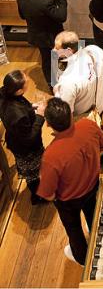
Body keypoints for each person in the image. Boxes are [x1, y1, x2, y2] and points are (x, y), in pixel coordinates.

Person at [37, 98, 103, 264]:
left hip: (69, 201)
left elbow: (48, 194)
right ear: (70, 114)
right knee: (94, 216)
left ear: (48, 124)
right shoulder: (88, 125)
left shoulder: (50, 156)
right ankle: (98, 239)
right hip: (93, 186)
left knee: (74, 230)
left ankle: (82, 258)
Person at [17, 0, 67, 90]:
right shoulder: (44, 1)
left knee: (46, 59)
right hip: (50, 36)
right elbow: (62, 16)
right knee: (51, 60)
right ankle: (54, 85)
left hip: (36, 35)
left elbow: (22, 16)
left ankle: (53, 83)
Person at [0, 70, 46, 205]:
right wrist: (39, 116)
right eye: (26, 82)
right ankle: (38, 197)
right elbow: (30, 138)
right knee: (32, 174)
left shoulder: (4, 93)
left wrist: (31, 107)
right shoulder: (17, 115)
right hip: (26, 148)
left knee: (33, 170)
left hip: (15, 139)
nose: (28, 81)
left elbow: (20, 105)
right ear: (19, 91)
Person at [53, 31, 103, 119]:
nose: (54, 50)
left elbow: (66, 111)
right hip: (100, 104)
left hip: (83, 117)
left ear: (69, 50)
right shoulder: (95, 50)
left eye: (57, 48)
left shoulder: (68, 80)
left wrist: (57, 92)